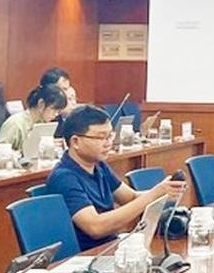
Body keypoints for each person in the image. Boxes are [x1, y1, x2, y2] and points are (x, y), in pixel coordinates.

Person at [44, 105, 186, 252]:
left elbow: (130, 197)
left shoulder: (99, 166)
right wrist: (153, 194)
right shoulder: (64, 177)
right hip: (87, 255)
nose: (108, 143)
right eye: (101, 137)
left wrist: (164, 191)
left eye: (110, 136)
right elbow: (95, 227)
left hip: (110, 247)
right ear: (75, 142)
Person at [0, 85, 69, 156]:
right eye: (54, 110)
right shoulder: (15, 123)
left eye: (58, 111)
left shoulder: (43, 124)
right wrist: (21, 153)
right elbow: (0, 152)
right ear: (41, 104)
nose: (56, 114)